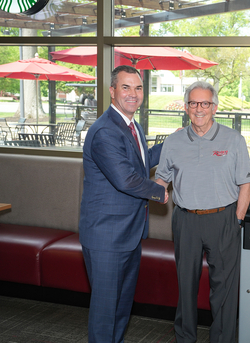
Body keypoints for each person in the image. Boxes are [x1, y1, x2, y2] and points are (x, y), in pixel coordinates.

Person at [155, 80, 250, 343]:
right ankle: (185, 338)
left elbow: (246, 183)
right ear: (186, 107)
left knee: (224, 288)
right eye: (193, 103)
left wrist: (238, 220)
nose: (199, 108)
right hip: (186, 220)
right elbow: (161, 180)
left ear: (215, 107)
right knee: (185, 286)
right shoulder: (174, 141)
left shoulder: (234, 140)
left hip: (224, 219)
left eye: (205, 103)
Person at [79, 65, 168, 343]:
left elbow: (143, 161)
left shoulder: (132, 125)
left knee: (120, 310)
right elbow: (126, 179)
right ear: (112, 91)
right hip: (107, 236)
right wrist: (159, 192)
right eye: (126, 87)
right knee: (106, 313)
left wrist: (175, 142)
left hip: (128, 234)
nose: (133, 93)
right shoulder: (105, 130)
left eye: (138, 87)